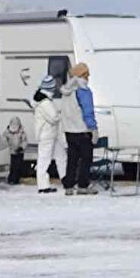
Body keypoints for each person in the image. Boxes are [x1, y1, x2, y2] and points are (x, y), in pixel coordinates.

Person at [60, 63, 99, 195]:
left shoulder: (66, 91)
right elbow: (88, 112)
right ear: (83, 75)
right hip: (83, 131)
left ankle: (69, 185)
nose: (89, 76)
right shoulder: (83, 91)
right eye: (87, 73)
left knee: (72, 160)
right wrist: (93, 129)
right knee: (85, 160)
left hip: (69, 131)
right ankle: (83, 185)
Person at [33, 76, 65, 194]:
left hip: (51, 134)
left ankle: (65, 179)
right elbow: (54, 117)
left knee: (61, 156)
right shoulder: (45, 103)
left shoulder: (42, 100)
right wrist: (61, 115)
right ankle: (43, 186)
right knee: (44, 160)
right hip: (47, 135)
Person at [1, 116, 28, 185]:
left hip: (19, 152)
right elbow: (3, 140)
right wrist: (6, 147)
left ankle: (15, 179)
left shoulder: (22, 132)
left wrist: (21, 147)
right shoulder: (6, 132)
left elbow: (24, 141)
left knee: (18, 167)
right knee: (11, 167)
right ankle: (10, 179)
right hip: (10, 152)